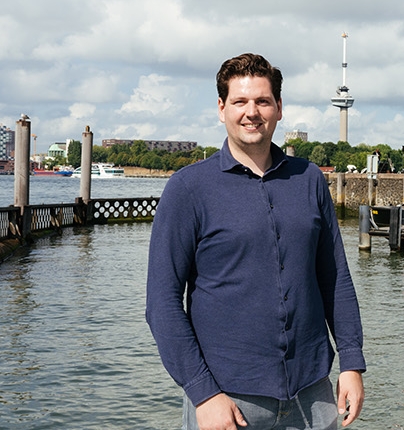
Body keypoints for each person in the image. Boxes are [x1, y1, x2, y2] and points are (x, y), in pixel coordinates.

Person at [146, 53, 365, 430]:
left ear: (279, 108)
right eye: (240, 102)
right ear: (221, 108)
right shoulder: (188, 189)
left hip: (312, 393)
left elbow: (335, 279)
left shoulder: (309, 179)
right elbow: (162, 302)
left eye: (263, 101)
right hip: (227, 399)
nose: (252, 112)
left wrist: (351, 361)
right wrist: (204, 393)